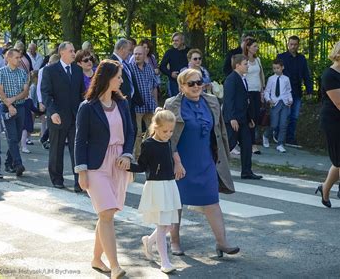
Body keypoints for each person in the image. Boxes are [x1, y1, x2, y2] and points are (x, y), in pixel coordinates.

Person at [164, 68, 238, 257]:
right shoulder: (172, 104)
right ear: (181, 86)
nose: (197, 86)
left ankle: (222, 243)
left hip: (206, 160)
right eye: (191, 83)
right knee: (176, 203)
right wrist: (175, 162)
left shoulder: (211, 101)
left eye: (199, 82)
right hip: (181, 161)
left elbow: (220, 130)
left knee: (212, 201)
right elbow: (166, 137)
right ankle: (175, 241)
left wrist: (224, 156)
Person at [74, 60, 134, 279]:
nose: (121, 80)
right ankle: (115, 265)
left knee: (107, 214)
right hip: (96, 166)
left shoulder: (123, 104)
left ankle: (96, 259)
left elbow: (131, 132)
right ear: (107, 77)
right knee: (106, 213)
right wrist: (81, 171)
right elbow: (80, 141)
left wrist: (127, 154)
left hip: (119, 163)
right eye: (118, 76)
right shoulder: (87, 107)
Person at [128, 109, 182, 274]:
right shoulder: (148, 144)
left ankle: (148, 241)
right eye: (165, 131)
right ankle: (164, 261)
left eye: (171, 131)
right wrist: (126, 166)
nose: (168, 134)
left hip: (169, 185)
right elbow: (142, 166)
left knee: (170, 225)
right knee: (162, 225)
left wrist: (178, 165)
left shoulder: (167, 142)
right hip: (156, 187)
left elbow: (171, 157)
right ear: (155, 127)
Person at [41, 42, 84, 192]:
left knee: (77, 149)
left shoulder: (78, 70)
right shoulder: (50, 70)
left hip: (75, 117)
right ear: (62, 53)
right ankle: (57, 179)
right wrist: (52, 112)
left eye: (74, 50)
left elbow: (82, 93)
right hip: (57, 116)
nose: (74, 53)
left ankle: (79, 182)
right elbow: (46, 94)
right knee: (57, 149)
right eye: (71, 51)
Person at [223, 55, 262, 180]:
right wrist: (231, 118)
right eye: (245, 64)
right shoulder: (231, 79)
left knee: (246, 145)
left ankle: (246, 171)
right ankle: (214, 167)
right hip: (234, 119)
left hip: (243, 119)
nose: (247, 66)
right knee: (228, 144)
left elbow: (245, 100)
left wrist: (250, 117)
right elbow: (229, 100)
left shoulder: (242, 78)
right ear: (237, 65)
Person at [315, 41, 340, 208]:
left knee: (338, 162)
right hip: (333, 121)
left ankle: (324, 188)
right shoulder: (329, 75)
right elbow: (339, 103)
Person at [0, 48, 29, 176]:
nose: (19, 59)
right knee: (12, 136)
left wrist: (14, 99)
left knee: (18, 137)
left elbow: (25, 92)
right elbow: (0, 91)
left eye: (19, 57)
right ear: (8, 58)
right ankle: (18, 163)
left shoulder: (22, 72)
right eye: (16, 57)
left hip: (20, 106)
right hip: (6, 107)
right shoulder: (1, 72)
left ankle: (8, 163)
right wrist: (9, 104)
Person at [277, 36, 313, 147]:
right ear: (288, 44)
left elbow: (306, 75)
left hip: (297, 91)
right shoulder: (281, 57)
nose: (293, 46)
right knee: (283, 115)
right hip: (284, 92)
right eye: (291, 44)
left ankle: (290, 139)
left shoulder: (302, 59)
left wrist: (309, 90)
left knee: (294, 116)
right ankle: (279, 136)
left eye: (295, 44)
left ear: (298, 45)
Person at [129, 45, 158, 158]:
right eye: (135, 54)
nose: (137, 56)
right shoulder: (130, 68)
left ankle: (149, 154)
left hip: (149, 104)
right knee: (137, 133)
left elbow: (154, 86)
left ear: (145, 55)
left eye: (139, 54)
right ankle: (138, 156)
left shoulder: (149, 68)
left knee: (152, 131)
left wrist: (155, 104)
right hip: (137, 106)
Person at [110, 39, 143, 139]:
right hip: (119, 102)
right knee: (125, 131)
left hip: (129, 102)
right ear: (122, 49)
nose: (129, 53)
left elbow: (130, 82)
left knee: (132, 130)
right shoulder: (111, 63)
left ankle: (128, 153)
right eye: (128, 50)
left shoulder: (125, 64)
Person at [262, 59, 292, 153]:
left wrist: (290, 100)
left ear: (282, 68)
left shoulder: (286, 79)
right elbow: (267, 91)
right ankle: (266, 135)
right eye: (274, 68)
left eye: (278, 68)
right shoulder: (271, 79)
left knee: (283, 124)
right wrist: (269, 100)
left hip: (285, 103)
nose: (276, 70)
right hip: (274, 103)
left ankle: (280, 144)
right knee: (274, 124)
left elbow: (288, 91)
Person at [243, 38, 265, 154]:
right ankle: (252, 144)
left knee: (255, 117)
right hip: (248, 92)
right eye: (254, 46)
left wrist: (262, 90)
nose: (256, 48)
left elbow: (261, 74)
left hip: (257, 92)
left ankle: (250, 141)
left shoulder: (257, 60)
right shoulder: (243, 60)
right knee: (250, 117)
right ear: (248, 47)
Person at [159, 32, 190, 96]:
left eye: (176, 40)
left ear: (182, 41)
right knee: (176, 102)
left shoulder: (189, 51)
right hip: (174, 82)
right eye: (173, 41)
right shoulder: (169, 52)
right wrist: (170, 74)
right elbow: (162, 66)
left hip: (188, 80)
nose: (174, 42)